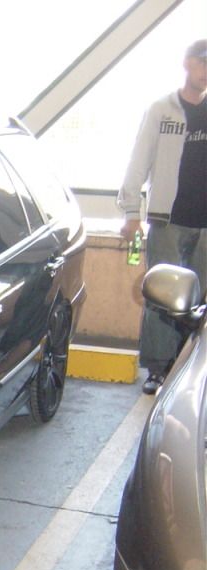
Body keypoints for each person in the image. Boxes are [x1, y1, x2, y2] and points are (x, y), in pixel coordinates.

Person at [119, 39, 207, 395]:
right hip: (166, 218)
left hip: (205, 224)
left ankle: (191, 367)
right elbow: (138, 161)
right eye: (202, 63)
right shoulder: (161, 110)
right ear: (186, 64)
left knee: (199, 298)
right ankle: (157, 368)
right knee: (161, 296)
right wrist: (130, 213)